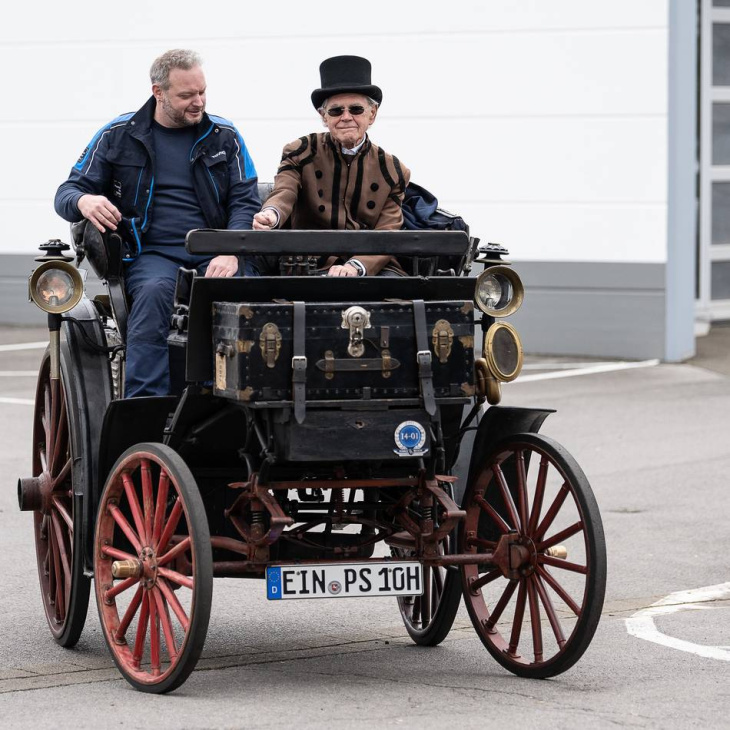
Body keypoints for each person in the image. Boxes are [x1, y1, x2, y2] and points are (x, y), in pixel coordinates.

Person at [55, 49, 260, 397]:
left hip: (219, 252)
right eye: (186, 95)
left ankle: (244, 402)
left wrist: (230, 251)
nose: (198, 102)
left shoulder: (226, 136)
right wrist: (84, 200)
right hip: (152, 256)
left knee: (248, 299)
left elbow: (245, 200)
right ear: (158, 92)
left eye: (202, 92)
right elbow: (67, 192)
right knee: (153, 295)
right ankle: (144, 409)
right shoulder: (117, 135)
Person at [253, 55, 410, 277]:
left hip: (372, 265)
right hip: (311, 262)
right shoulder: (300, 151)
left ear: (372, 114)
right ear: (323, 117)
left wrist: (356, 267)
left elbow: (388, 231)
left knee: (400, 298)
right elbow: (284, 190)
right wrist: (271, 214)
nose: (346, 117)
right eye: (336, 111)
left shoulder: (393, 170)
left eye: (356, 109)